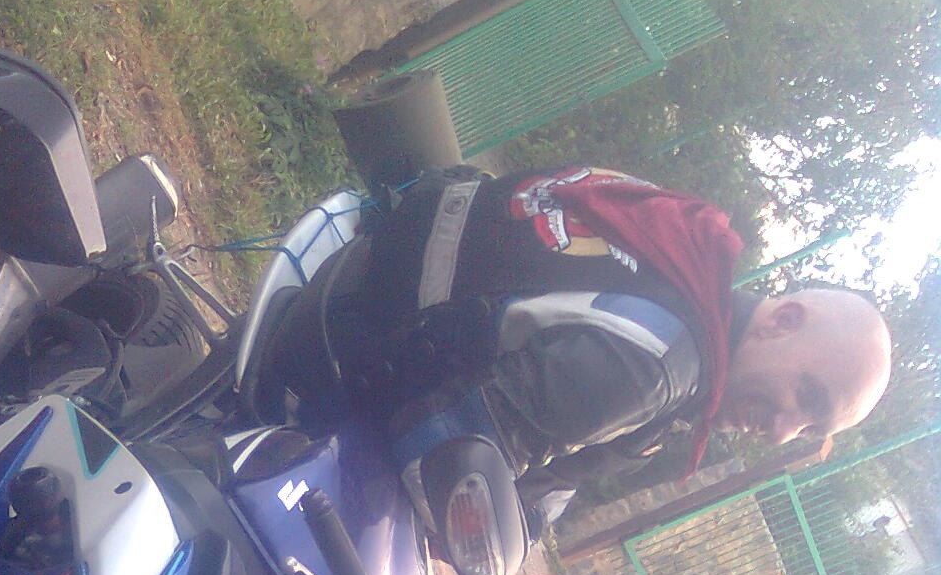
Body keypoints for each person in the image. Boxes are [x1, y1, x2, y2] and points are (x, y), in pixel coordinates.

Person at [267, 166, 892, 533]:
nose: (784, 431)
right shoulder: (657, 366)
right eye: (807, 397)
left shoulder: (680, 261)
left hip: (352, 276)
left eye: (810, 428)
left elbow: (558, 462)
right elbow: (437, 465)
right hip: (319, 387)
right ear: (784, 321)